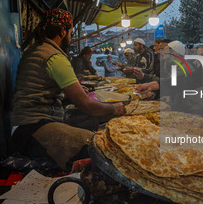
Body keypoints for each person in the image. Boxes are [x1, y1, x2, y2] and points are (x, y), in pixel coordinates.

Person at [11, 9, 126, 170]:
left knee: (90, 122)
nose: (71, 38)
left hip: (23, 125)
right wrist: (115, 109)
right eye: (71, 33)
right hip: (32, 129)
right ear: (63, 31)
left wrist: (71, 92)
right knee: (97, 145)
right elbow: (87, 106)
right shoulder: (55, 57)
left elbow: (42, 90)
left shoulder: (34, 50)